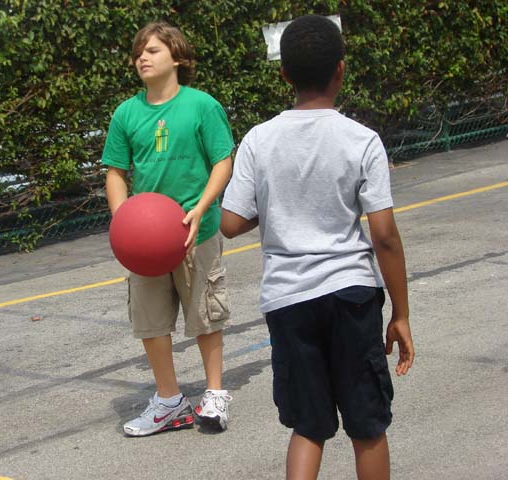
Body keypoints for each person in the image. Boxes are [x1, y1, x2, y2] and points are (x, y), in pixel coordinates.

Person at [220, 15, 414, 480]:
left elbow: (230, 223)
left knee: (308, 426)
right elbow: (384, 235)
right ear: (341, 70)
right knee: (367, 424)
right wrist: (401, 314)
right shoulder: (362, 140)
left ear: (284, 74)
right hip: (352, 294)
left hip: (288, 299)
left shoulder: (258, 139)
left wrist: (278, 203)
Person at [102, 21, 234, 437]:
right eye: (138, 52)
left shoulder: (202, 106)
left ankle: (215, 394)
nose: (142, 57)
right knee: (151, 320)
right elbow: (115, 172)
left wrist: (200, 208)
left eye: (153, 50)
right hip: (147, 242)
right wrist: (124, 221)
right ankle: (169, 401)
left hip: (196, 232)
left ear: (177, 57)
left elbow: (223, 161)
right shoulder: (126, 113)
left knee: (205, 314)